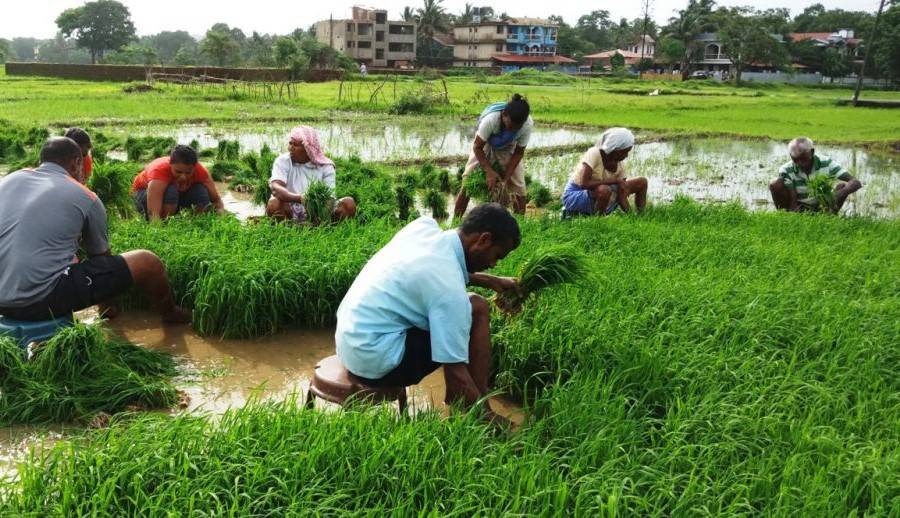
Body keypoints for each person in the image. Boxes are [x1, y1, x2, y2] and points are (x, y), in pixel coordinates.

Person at [336, 203, 521, 423]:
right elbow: (456, 374)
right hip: (376, 363)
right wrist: (494, 423)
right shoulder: (448, 288)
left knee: (477, 305)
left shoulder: (423, 228)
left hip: (349, 341)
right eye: (497, 256)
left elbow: (433, 271)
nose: (492, 264)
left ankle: (478, 396)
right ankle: (475, 408)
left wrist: (490, 281)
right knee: (466, 319)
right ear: (483, 240)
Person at [0, 137, 191, 323]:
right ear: (77, 163)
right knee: (147, 262)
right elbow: (100, 258)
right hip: (39, 301)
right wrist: (108, 307)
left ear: (41, 160)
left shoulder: (9, 180)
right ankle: (170, 314)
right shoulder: (85, 196)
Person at [454, 94, 533, 217]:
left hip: (509, 147)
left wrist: (506, 178)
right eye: (510, 126)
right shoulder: (491, 120)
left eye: (516, 128)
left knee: (519, 189)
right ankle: (456, 220)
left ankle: (521, 225)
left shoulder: (527, 125)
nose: (512, 130)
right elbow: (477, 147)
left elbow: (518, 153)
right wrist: (489, 171)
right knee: (468, 182)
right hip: (485, 145)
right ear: (504, 114)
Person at [266, 126, 357, 223]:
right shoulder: (283, 161)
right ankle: (288, 228)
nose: (290, 148)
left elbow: (330, 198)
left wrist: (317, 217)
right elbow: (276, 187)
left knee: (348, 203)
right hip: (290, 208)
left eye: (295, 145)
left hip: (318, 209)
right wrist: (301, 199)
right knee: (274, 203)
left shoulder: (326, 166)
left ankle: (320, 226)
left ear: (308, 149)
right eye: (290, 143)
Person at [561, 128, 647, 217]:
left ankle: (641, 215)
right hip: (576, 194)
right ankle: (598, 221)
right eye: (624, 152)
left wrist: (631, 216)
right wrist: (615, 181)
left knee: (642, 182)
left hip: (604, 198)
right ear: (614, 149)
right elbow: (584, 184)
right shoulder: (594, 153)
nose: (626, 156)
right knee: (604, 190)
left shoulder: (620, 166)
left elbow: (621, 195)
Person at [131, 145, 225, 221]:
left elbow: (216, 200)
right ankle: (166, 224)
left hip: (175, 198)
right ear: (170, 165)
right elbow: (153, 213)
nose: (183, 177)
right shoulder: (159, 171)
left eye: (188, 173)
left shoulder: (201, 171)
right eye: (178, 172)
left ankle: (197, 221)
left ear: (194, 167)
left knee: (200, 191)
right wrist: (158, 231)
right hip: (143, 196)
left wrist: (221, 213)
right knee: (171, 191)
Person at [770, 137, 862, 213]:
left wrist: (838, 194)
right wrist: (795, 216)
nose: (799, 164)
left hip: (823, 205)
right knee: (775, 183)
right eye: (795, 159)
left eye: (803, 159)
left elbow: (855, 182)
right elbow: (793, 200)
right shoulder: (786, 170)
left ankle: (829, 216)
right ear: (791, 156)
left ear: (812, 152)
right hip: (800, 206)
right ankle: (783, 214)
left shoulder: (825, 162)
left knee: (842, 186)